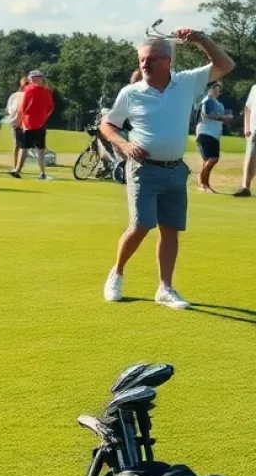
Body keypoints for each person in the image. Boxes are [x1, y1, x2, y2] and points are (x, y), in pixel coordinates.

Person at [100, 28, 234, 309]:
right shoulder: (131, 92)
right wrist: (123, 146)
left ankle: (165, 288)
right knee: (141, 225)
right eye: (141, 60)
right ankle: (117, 272)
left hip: (175, 170)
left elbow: (226, 65)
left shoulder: (186, 82)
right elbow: (108, 125)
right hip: (142, 169)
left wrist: (201, 40)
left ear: (167, 61)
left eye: (149, 60)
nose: (143, 65)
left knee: (170, 229)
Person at [9, 69, 54, 180]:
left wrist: (18, 120)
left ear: (31, 79)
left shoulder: (28, 91)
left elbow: (22, 108)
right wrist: (44, 118)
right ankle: (42, 173)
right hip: (41, 124)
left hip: (28, 124)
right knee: (40, 150)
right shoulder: (46, 92)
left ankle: (18, 170)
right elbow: (50, 108)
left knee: (24, 148)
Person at [195, 81, 232, 193]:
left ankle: (206, 185)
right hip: (206, 131)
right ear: (209, 89)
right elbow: (207, 115)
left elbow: (222, 118)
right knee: (213, 158)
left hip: (214, 133)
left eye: (218, 88)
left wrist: (228, 118)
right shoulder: (207, 100)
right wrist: (224, 117)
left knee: (207, 159)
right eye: (215, 88)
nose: (217, 90)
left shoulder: (219, 104)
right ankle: (202, 183)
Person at [234, 83, 256, 197]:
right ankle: (245, 187)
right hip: (254, 131)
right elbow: (248, 108)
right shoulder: (254, 88)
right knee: (250, 158)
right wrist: (246, 127)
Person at [5, 78, 26, 168]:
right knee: (19, 145)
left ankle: (17, 166)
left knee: (20, 145)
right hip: (18, 123)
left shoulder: (19, 95)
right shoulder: (15, 95)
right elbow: (10, 109)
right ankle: (16, 165)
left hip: (23, 123)